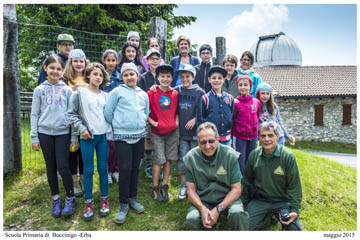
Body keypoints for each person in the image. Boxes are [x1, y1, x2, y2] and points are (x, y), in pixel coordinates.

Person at [30, 55, 77, 218]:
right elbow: (34, 114)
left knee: (63, 166)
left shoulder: (67, 90)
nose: (55, 71)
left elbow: (72, 115)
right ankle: (56, 198)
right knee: (50, 167)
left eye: (58, 69)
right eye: (52, 68)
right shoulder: (39, 90)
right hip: (44, 133)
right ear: (46, 69)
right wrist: (34, 137)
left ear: (63, 71)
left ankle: (70, 197)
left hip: (63, 133)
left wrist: (74, 138)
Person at [104, 62, 149, 224]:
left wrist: (140, 121)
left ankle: (133, 198)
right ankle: (123, 204)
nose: (130, 77)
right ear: (122, 77)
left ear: (137, 75)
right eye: (126, 74)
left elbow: (146, 112)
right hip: (122, 136)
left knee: (135, 167)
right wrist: (119, 124)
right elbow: (108, 112)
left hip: (139, 135)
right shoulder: (116, 92)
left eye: (132, 74)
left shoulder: (143, 94)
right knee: (124, 168)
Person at [67, 62, 112, 221]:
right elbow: (71, 114)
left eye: (100, 75)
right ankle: (88, 202)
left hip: (102, 137)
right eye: (95, 74)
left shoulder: (106, 95)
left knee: (102, 169)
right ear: (88, 75)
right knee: (88, 170)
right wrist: (82, 129)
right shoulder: (79, 93)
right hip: (87, 137)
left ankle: (104, 200)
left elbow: (109, 116)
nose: (98, 77)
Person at [184, 122, 249, 230]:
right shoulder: (191, 158)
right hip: (203, 200)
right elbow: (190, 190)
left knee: (237, 213)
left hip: (228, 198)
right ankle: (210, 225)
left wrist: (219, 209)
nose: (208, 146)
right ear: (198, 143)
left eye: (211, 141)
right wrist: (202, 208)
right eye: (203, 142)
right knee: (192, 219)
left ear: (218, 139)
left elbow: (237, 189)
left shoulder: (230, 155)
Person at [242, 121, 302, 231]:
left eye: (270, 135)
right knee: (244, 228)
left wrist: (295, 210)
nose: (266, 139)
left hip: (282, 202)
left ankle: (273, 217)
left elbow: (295, 185)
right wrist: (245, 205)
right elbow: (246, 181)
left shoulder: (288, 156)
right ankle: (268, 219)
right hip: (260, 201)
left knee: (295, 230)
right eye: (263, 136)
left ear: (277, 137)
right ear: (259, 138)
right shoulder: (254, 155)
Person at [147, 64, 179, 201]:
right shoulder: (152, 93)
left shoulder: (175, 93)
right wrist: (153, 122)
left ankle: (165, 185)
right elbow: (144, 110)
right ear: (157, 78)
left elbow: (177, 111)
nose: (165, 79)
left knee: (168, 159)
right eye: (162, 76)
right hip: (157, 132)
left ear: (172, 78)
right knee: (159, 159)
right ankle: (155, 187)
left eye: (168, 76)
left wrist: (176, 123)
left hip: (172, 132)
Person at [174, 64, 205, 200]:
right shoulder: (177, 90)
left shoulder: (200, 92)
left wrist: (195, 119)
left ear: (193, 77)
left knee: (195, 159)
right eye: (182, 77)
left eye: (187, 76)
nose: (185, 79)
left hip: (195, 133)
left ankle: (196, 186)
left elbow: (204, 111)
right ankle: (183, 185)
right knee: (183, 158)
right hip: (181, 133)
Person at [62, 49, 89, 198]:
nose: (79, 64)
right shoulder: (65, 79)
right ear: (70, 62)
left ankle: (84, 179)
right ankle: (73, 181)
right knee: (72, 152)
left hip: (85, 122)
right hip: (70, 121)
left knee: (84, 152)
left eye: (81, 61)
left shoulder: (88, 78)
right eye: (75, 61)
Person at [137, 48, 162, 179]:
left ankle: (159, 164)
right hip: (148, 111)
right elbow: (139, 95)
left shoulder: (162, 75)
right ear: (147, 61)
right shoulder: (143, 77)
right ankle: (148, 164)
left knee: (158, 138)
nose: (154, 61)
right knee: (147, 138)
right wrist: (149, 92)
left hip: (161, 112)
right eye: (152, 58)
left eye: (157, 58)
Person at [196, 65, 234, 146]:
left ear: (224, 80)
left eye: (219, 78)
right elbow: (200, 120)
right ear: (209, 80)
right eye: (214, 78)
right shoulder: (205, 99)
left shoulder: (230, 98)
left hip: (226, 139)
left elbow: (232, 116)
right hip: (210, 140)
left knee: (225, 158)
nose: (217, 80)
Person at [101, 49, 123, 185]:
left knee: (118, 144)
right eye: (108, 60)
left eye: (113, 60)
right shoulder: (101, 76)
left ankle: (116, 170)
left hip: (119, 115)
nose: (111, 63)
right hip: (105, 115)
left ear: (117, 61)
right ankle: (107, 171)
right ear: (104, 61)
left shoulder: (120, 77)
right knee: (108, 146)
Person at [232, 75, 261, 174]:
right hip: (240, 137)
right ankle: (241, 182)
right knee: (241, 160)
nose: (243, 87)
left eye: (245, 85)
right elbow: (233, 119)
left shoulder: (256, 102)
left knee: (251, 159)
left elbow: (257, 116)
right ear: (238, 87)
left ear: (250, 86)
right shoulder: (236, 103)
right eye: (240, 85)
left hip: (253, 137)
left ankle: (250, 181)